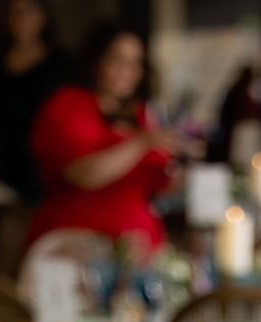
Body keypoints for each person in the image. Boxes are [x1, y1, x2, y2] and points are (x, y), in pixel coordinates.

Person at [25, 21, 200, 251]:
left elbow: (154, 184)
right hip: (76, 244)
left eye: (135, 63)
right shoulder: (67, 105)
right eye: (118, 60)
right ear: (96, 60)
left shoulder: (140, 114)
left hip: (138, 245)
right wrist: (144, 141)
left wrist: (191, 177)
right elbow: (83, 173)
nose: (128, 71)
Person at [0, 0, 70, 210]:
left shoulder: (61, 63)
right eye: (15, 14)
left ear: (45, 16)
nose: (22, 20)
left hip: (40, 161)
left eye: (29, 12)